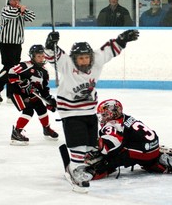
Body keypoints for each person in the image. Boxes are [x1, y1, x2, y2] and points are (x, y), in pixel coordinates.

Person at [44, 29, 139, 188]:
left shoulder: (96, 60)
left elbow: (108, 51)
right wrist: (50, 44)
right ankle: (75, 168)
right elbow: (51, 55)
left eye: (86, 57)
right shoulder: (67, 63)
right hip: (70, 112)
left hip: (89, 111)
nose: (84, 61)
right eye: (80, 58)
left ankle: (80, 163)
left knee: (90, 145)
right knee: (78, 144)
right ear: (74, 58)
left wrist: (122, 40)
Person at [84, 99, 172, 181]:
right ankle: (163, 157)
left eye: (104, 114)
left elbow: (112, 145)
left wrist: (99, 146)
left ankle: (96, 171)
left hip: (142, 152)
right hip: (153, 147)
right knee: (144, 156)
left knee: (115, 157)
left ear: (112, 114)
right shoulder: (127, 117)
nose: (102, 118)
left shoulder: (112, 125)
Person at [0, 0, 36, 104]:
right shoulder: (6, 9)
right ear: (9, 0)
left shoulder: (20, 11)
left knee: (14, 70)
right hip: (6, 44)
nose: (15, 1)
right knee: (9, 67)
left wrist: (23, 11)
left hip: (17, 44)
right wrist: (20, 10)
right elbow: (11, 14)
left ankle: (10, 94)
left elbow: (32, 16)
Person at [8, 44, 58, 145]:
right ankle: (16, 133)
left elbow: (43, 89)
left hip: (31, 93)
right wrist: (22, 82)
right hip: (17, 93)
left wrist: (49, 99)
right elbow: (11, 72)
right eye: (38, 56)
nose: (41, 58)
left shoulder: (44, 72)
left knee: (41, 108)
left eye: (43, 56)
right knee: (28, 111)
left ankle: (46, 129)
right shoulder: (25, 65)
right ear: (32, 56)